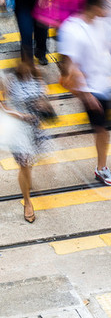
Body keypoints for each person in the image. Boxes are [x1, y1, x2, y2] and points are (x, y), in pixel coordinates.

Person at [57, 0, 111, 186]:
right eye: (104, 6)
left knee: (104, 129)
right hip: (91, 89)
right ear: (93, 7)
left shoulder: (103, 23)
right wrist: (86, 95)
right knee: (102, 130)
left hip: (106, 85)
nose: (107, 9)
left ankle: (101, 166)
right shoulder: (73, 29)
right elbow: (71, 66)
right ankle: (102, 168)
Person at [0, 56, 53, 223]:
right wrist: (21, 115)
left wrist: (44, 104)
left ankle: (27, 182)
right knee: (24, 165)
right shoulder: (7, 81)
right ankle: (27, 202)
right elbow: (3, 106)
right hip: (17, 129)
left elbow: (44, 96)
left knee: (34, 163)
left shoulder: (37, 75)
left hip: (34, 126)